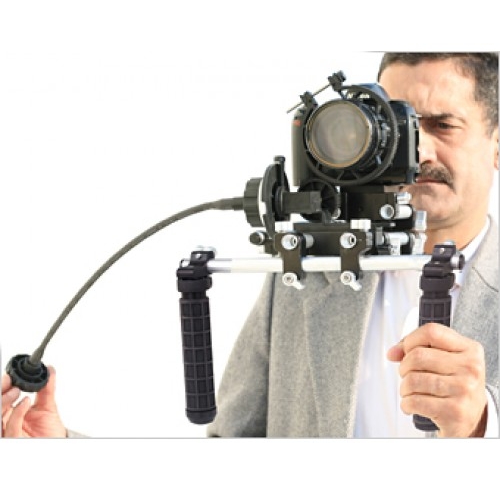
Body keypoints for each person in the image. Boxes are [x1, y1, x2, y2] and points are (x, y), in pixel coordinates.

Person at [2, 52, 498, 438]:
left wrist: (481, 424)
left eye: (442, 125)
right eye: (396, 123)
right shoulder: (306, 276)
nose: (417, 149)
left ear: (495, 144)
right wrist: (61, 452)